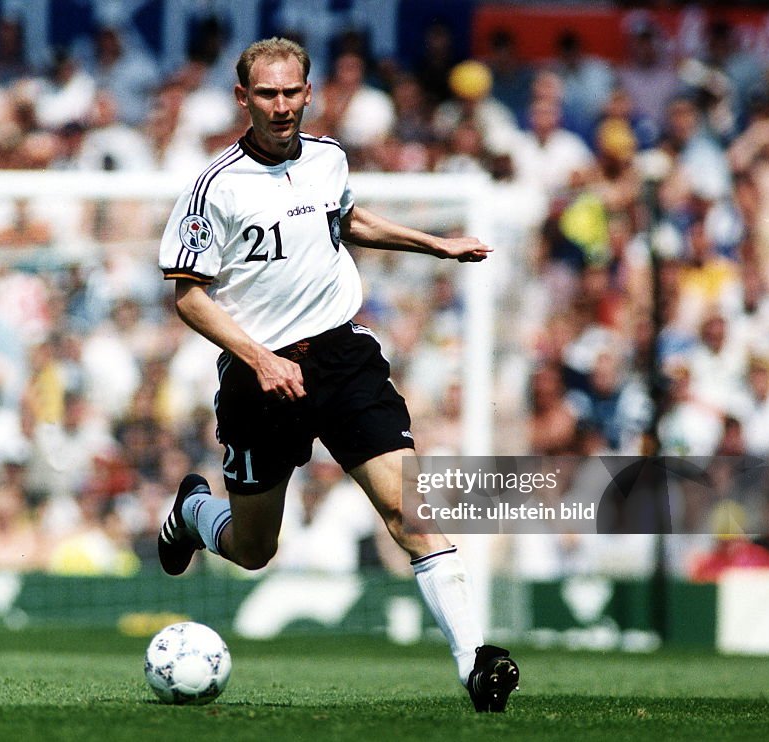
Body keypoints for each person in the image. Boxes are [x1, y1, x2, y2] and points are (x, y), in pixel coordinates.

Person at [156, 37, 518, 712]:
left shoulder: (327, 158)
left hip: (344, 356)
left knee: (406, 508)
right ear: (244, 99)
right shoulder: (214, 187)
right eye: (267, 94)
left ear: (309, 92)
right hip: (259, 375)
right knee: (256, 547)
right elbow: (189, 295)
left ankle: (476, 663)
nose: (282, 105)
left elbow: (346, 219)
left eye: (292, 91)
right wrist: (261, 358)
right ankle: (193, 511)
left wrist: (435, 244)